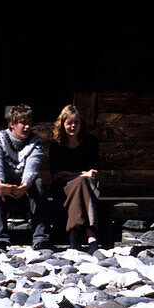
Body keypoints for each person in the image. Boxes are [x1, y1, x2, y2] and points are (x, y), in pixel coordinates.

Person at [0, 105, 51, 250]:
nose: (27, 127)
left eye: (29, 123)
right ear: (12, 124)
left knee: (39, 183)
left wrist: (24, 186)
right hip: (4, 185)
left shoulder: (36, 141)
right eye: (23, 123)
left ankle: (41, 238)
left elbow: (32, 166)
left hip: (25, 187)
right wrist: (0, 184)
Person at [48, 104, 101, 249]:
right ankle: (91, 235)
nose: (73, 126)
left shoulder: (90, 142)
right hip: (63, 188)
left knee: (81, 184)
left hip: (87, 187)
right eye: (69, 123)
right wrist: (79, 175)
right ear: (62, 124)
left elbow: (93, 170)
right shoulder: (56, 146)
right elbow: (57, 175)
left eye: (76, 122)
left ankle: (74, 236)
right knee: (79, 183)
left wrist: (82, 176)